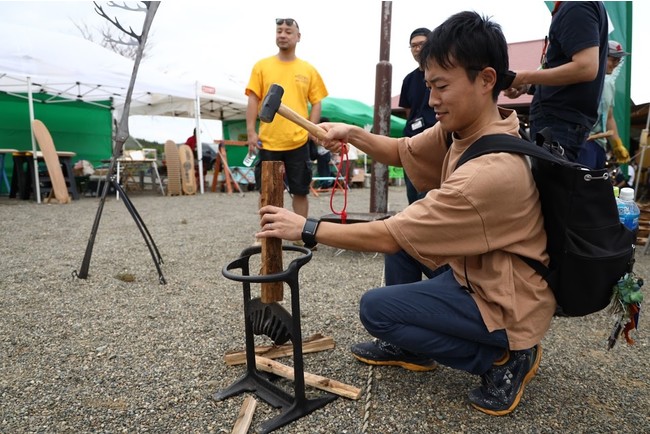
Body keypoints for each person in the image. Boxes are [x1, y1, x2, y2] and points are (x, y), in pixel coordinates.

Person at [257, 11, 554, 416]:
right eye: (429, 85)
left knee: (376, 309)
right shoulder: (463, 131)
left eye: (441, 86)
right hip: (477, 270)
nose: (431, 100)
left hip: (505, 300)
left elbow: (388, 235)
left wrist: (307, 227)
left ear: (486, 80)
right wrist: (353, 133)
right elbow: (403, 150)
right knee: (408, 238)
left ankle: (505, 358)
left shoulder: (490, 172)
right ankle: (414, 349)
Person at [245, 17, 329, 221]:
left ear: (298, 37)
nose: (282, 34)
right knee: (267, 191)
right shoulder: (261, 66)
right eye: (279, 30)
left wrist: (312, 129)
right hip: (268, 140)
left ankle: (300, 231)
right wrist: (250, 132)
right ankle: (268, 232)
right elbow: (253, 99)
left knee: (300, 190)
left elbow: (317, 101)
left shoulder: (308, 69)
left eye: (288, 31)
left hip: (298, 140)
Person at [504, 1, 608, 162]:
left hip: (559, 122)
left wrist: (525, 77)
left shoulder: (577, 5)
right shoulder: (576, 6)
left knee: (550, 185)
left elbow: (586, 67)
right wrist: (528, 86)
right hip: (560, 123)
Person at [576, 40, 631, 169]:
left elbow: (609, 117)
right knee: (585, 184)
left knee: (597, 185)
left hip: (600, 144)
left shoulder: (608, 84)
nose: (617, 64)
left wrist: (617, 145)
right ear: (601, 55)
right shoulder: (585, 78)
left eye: (619, 60)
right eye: (613, 59)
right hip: (583, 142)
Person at [400, 27, 438, 204]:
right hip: (412, 141)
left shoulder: (442, 73)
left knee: (430, 194)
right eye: (413, 46)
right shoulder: (408, 80)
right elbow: (409, 111)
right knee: (412, 193)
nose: (417, 49)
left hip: (436, 138)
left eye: (421, 44)